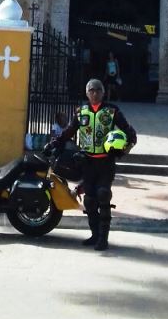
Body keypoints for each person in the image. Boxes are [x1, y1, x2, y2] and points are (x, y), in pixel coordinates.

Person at [50, 77, 136, 251]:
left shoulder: (112, 111)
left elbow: (130, 134)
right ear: (87, 93)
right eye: (91, 90)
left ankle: (103, 238)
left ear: (103, 92)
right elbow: (69, 132)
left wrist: (122, 150)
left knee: (103, 195)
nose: (95, 93)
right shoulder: (81, 112)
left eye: (98, 90)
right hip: (87, 161)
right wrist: (54, 143)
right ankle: (94, 234)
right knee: (89, 200)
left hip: (106, 162)